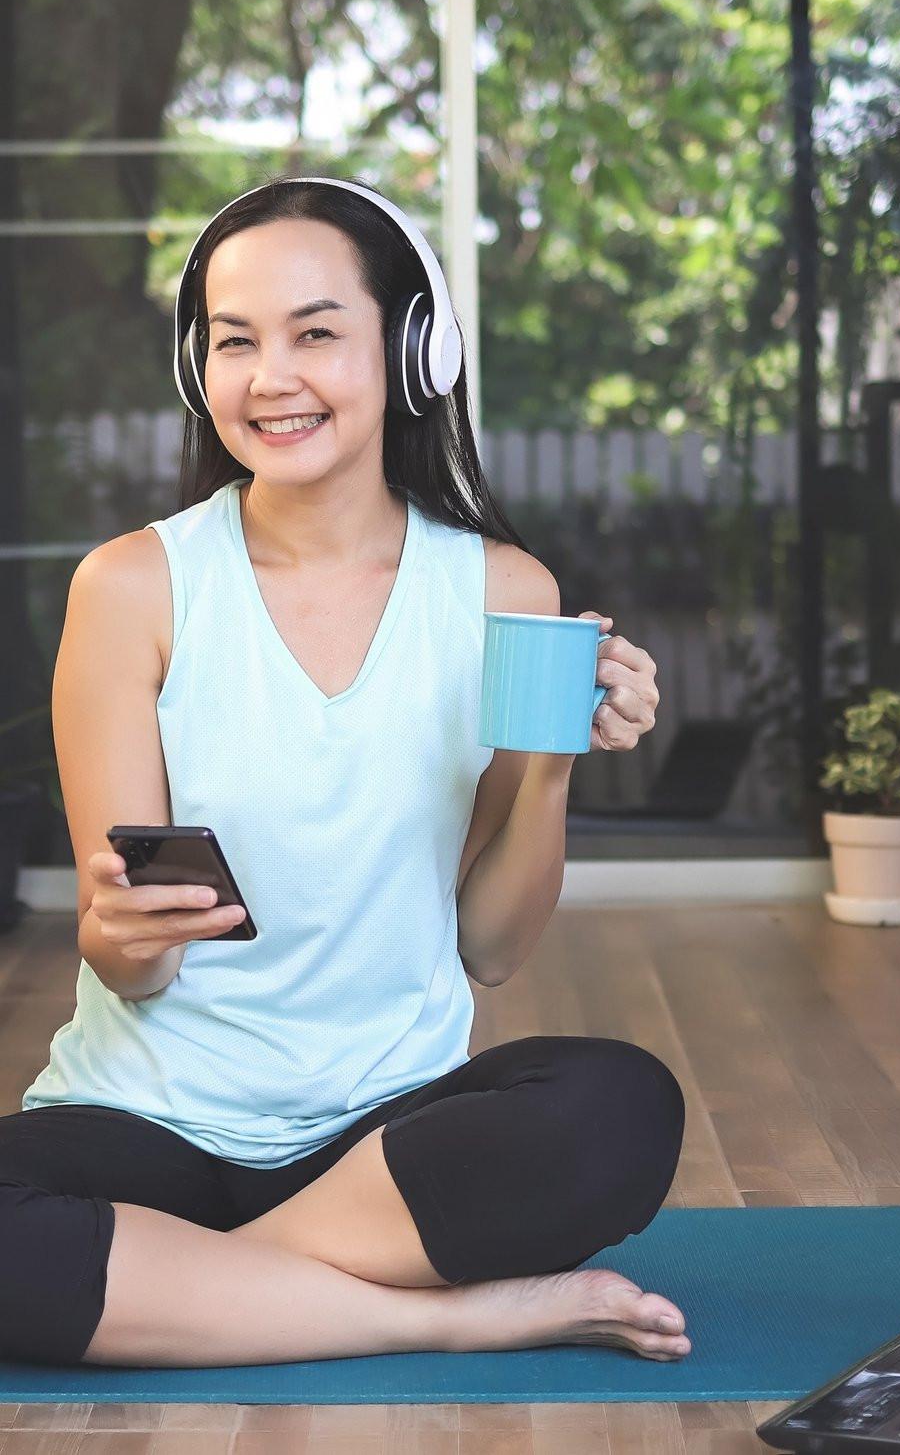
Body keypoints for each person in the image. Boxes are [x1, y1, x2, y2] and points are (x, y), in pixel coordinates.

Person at [0, 176, 684, 1369]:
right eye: (235, 342)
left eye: (317, 333)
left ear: (414, 351)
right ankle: (437, 1317)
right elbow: (131, 970)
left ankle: (199, 1294)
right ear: (194, 369)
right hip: (147, 1129)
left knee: (621, 1105)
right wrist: (122, 933)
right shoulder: (131, 589)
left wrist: (556, 769)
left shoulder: (502, 595)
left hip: (380, 1140)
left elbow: (491, 950)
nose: (273, 378)